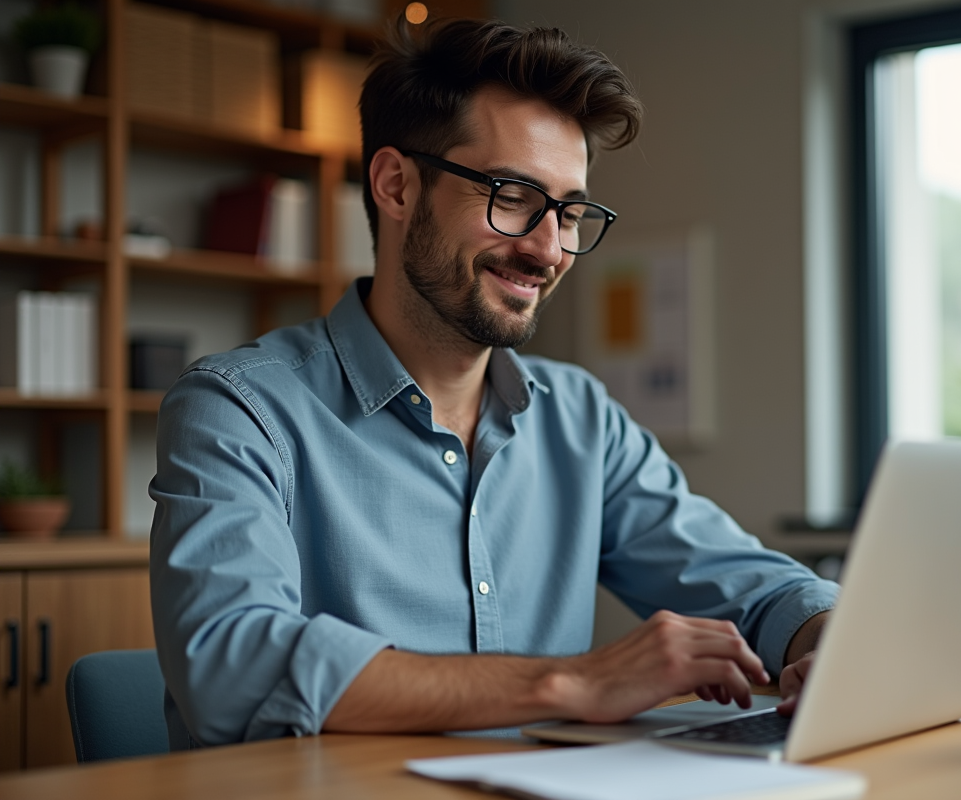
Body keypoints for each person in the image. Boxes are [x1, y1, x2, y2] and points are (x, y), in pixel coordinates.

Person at [149, 18, 838, 749]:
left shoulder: (582, 421)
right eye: (513, 195)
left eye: (571, 211)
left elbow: (755, 586)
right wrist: (568, 682)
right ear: (395, 186)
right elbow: (232, 667)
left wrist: (824, 644)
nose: (548, 249)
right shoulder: (238, 410)